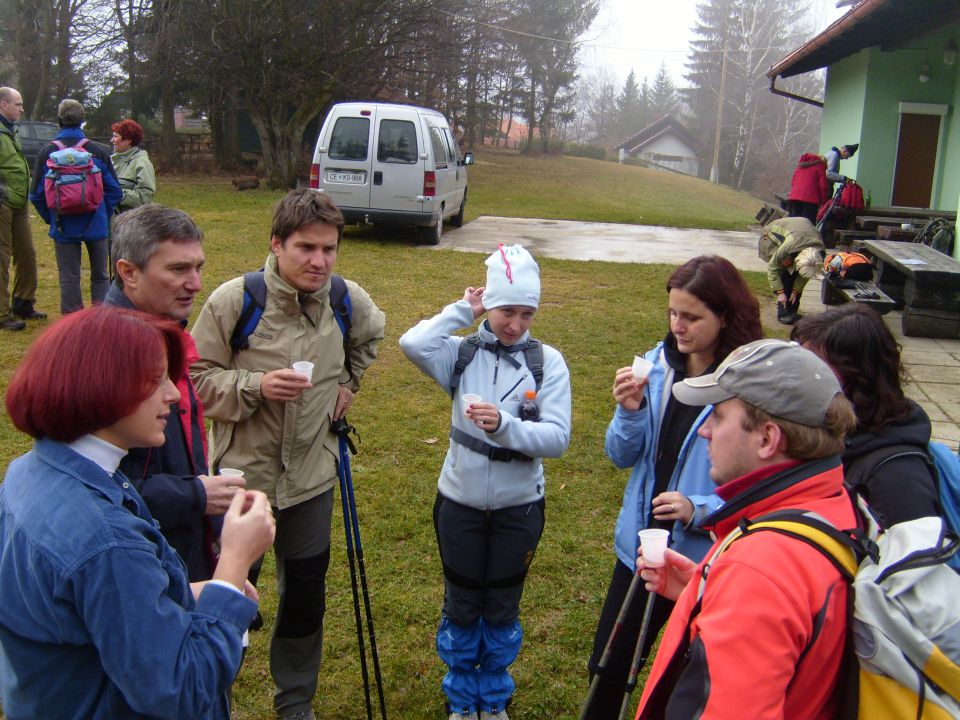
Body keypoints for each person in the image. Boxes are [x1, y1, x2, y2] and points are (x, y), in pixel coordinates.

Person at [0, 305, 276, 719]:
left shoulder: (30, 471)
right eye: (155, 380)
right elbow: (180, 689)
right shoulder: (106, 541)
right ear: (100, 386)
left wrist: (190, 593)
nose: (174, 394)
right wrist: (234, 565)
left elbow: (86, 610)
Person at [190, 189, 385, 720]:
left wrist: (349, 380)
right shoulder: (236, 301)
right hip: (241, 483)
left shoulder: (345, 299)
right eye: (305, 248)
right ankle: (211, 697)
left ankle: (295, 704)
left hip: (313, 479)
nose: (319, 261)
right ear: (276, 244)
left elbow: (371, 336)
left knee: (304, 598)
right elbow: (195, 380)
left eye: (329, 249)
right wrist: (254, 386)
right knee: (227, 596)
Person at [634, 338, 858, 719]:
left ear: (767, 439)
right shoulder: (831, 503)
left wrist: (739, 589)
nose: (704, 431)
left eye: (718, 416)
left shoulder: (759, 573)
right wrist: (706, 589)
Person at [582, 255, 762, 719]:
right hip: (642, 547)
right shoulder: (658, 365)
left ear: (726, 317)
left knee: (692, 679)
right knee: (608, 666)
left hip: (705, 559)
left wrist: (698, 507)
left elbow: (761, 483)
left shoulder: (746, 385)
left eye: (692, 317)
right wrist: (629, 410)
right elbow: (620, 455)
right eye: (672, 313)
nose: (677, 326)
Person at [399, 243, 572, 720]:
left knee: (501, 603)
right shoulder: (462, 352)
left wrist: (504, 426)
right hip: (460, 502)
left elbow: (556, 438)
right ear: (488, 306)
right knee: (460, 601)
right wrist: (464, 310)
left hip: (520, 507)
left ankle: (492, 700)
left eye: (525, 313)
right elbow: (412, 344)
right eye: (504, 310)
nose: (514, 323)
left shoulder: (547, 363)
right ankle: (461, 698)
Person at [103, 203, 241, 581]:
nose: (195, 283)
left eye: (198, 267)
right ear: (128, 272)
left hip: (180, 543)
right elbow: (98, 490)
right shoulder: (109, 357)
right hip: (140, 565)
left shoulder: (167, 336)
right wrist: (197, 495)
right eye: (178, 269)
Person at [791, 303, 941, 526]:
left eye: (815, 370)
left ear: (860, 376)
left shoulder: (897, 476)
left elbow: (919, 556)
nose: (796, 380)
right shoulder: (827, 433)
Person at [29, 98, 122, 314]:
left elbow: (36, 194)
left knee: (69, 276)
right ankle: (101, 317)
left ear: (59, 120)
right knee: (100, 274)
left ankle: (72, 321)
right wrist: (101, 210)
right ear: (82, 121)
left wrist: (52, 215)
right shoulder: (98, 150)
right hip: (96, 222)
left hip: (62, 223)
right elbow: (115, 190)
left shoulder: (47, 152)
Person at [0, 86, 44, 330]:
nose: (21, 108)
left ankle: (23, 302)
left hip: (19, 202)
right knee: (1, 257)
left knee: (27, 254)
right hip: (3, 202)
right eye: (17, 104)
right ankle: (1, 314)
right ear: (3, 105)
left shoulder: (11, 130)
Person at [763, 215, 824, 325]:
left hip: (803, 231)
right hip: (775, 232)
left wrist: (796, 291)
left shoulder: (818, 254)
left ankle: (792, 311)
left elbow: (805, 274)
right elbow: (772, 268)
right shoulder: (788, 246)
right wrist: (780, 293)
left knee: (796, 278)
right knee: (785, 274)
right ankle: (783, 313)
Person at [111, 118, 156, 212]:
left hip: (130, 222)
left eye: (115, 136)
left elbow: (144, 197)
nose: (112, 140)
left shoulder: (142, 163)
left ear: (128, 140)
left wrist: (116, 194)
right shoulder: (112, 161)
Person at [786, 152, 829, 224]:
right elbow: (823, 186)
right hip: (810, 201)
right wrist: (824, 202)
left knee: (793, 223)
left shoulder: (800, 165)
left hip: (794, 198)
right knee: (807, 225)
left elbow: (793, 182)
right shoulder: (820, 166)